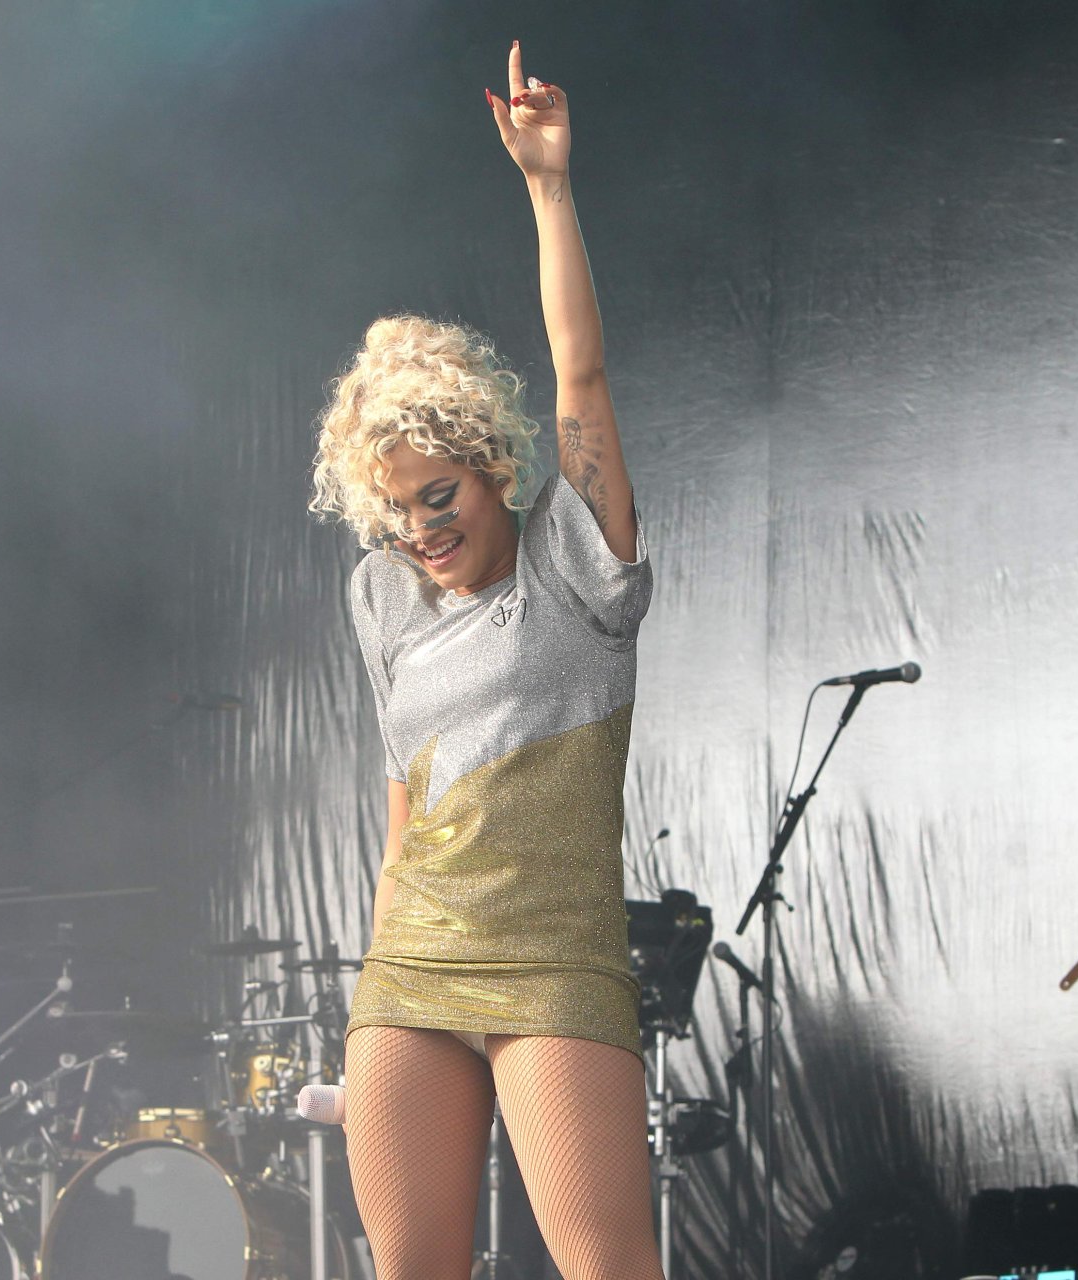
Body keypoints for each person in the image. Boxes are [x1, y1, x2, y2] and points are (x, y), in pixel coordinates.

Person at [307, 42, 663, 1280]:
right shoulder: (382, 596)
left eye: (439, 493)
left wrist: (547, 185)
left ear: (493, 464)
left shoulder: (576, 560)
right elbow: (401, 806)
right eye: (394, 508)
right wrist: (373, 970)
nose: (420, 527)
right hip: (409, 970)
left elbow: (582, 373)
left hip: (553, 964)